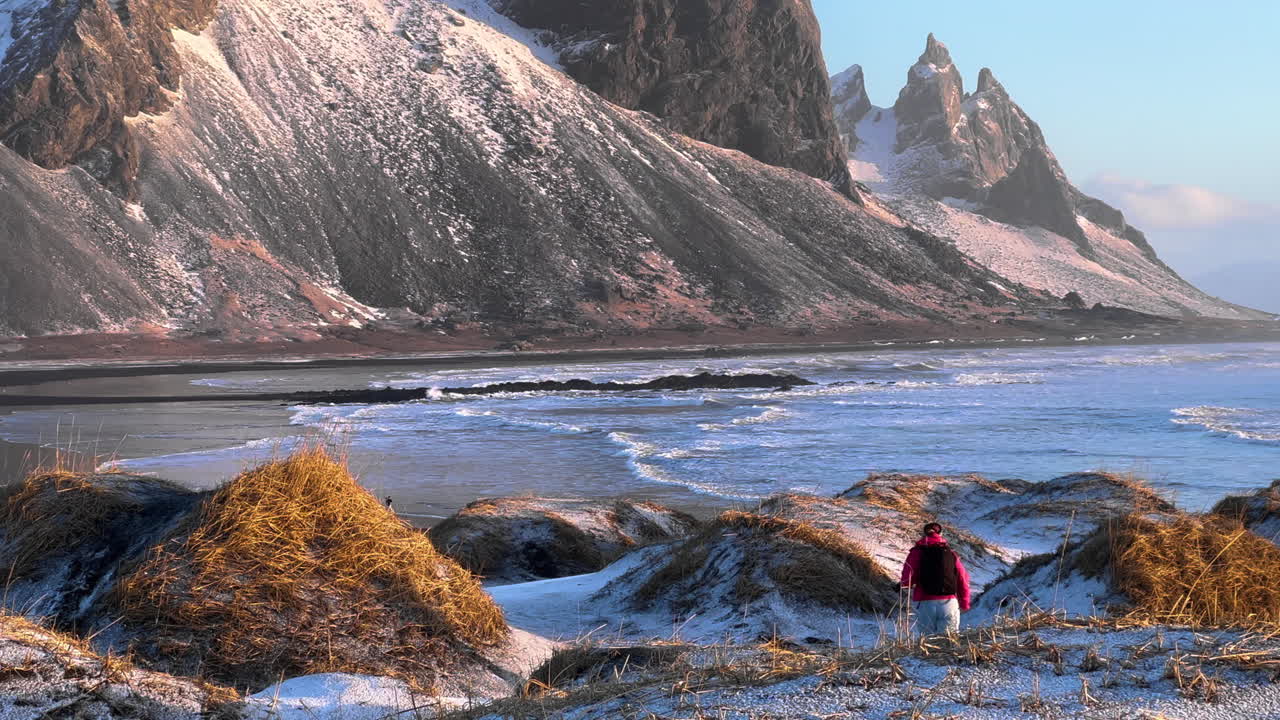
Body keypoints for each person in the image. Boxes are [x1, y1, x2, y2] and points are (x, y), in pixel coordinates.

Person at [900, 522, 971, 636]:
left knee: (928, 642)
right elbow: (963, 578)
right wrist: (964, 602)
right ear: (941, 534)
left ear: (924, 534)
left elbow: (907, 580)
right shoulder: (951, 553)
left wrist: (902, 585)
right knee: (949, 643)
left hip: (924, 603)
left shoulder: (916, 552)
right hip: (949, 603)